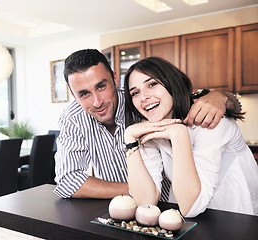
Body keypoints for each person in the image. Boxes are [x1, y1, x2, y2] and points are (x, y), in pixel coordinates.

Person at [53, 49, 242, 199]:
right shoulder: (73, 118)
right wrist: (141, 190)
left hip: (171, 205)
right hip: (121, 206)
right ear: (73, 94)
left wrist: (223, 97)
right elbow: (67, 181)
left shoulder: (144, 104)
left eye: (101, 86)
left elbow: (186, 98)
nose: (97, 102)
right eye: (83, 94)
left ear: (115, 78)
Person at [124, 56, 258, 217]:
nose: (143, 97)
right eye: (135, 93)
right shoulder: (154, 128)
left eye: (152, 84)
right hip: (200, 222)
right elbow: (145, 202)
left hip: (237, 216)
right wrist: (130, 139)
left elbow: (191, 207)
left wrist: (179, 133)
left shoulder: (210, 121)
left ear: (172, 83)